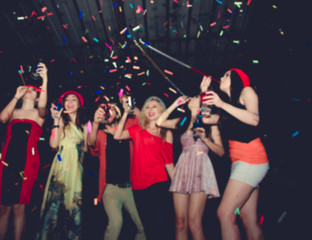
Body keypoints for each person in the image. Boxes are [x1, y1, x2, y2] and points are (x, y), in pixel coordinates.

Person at [200, 69, 269, 240]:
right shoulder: (229, 106)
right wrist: (204, 93)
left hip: (251, 161)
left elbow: (254, 119)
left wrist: (221, 104)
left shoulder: (247, 91)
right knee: (248, 218)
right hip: (240, 163)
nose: (221, 77)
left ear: (237, 79)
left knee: (224, 213)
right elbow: (206, 119)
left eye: (226, 75)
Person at [156, 94, 225, 240]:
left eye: (195, 96)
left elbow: (221, 152)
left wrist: (205, 139)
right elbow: (159, 121)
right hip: (183, 169)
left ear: (201, 102)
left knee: (194, 222)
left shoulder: (209, 122)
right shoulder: (183, 121)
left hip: (201, 168)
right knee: (180, 223)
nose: (191, 98)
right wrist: (175, 104)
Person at [0, 62, 48, 240]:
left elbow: (42, 107)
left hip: (27, 162)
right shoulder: (14, 112)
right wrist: (16, 97)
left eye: (34, 89)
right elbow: (3, 118)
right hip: (6, 161)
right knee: (3, 208)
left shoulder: (39, 114)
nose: (29, 89)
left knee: (19, 207)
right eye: (28, 87)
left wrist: (45, 79)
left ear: (38, 94)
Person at [114, 96, 175, 240]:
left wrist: (177, 186)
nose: (150, 110)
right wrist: (125, 112)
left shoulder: (166, 133)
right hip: (138, 185)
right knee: (149, 227)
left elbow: (169, 162)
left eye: (154, 106)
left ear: (161, 110)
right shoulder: (137, 129)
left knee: (163, 225)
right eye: (147, 107)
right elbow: (117, 136)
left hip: (159, 182)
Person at [87, 96, 146, 240]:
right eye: (105, 109)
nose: (108, 111)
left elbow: (143, 118)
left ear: (119, 113)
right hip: (110, 188)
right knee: (116, 223)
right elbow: (92, 145)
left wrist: (127, 103)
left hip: (131, 187)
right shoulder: (101, 133)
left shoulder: (128, 127)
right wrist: (95, 123)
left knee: (142, 225)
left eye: (112, 108)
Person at [37, 90, 88, 240]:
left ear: (79, 104)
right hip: (60, 168)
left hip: (77, 171)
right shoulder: (59, 121)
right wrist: (55, 120)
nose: (70, 102)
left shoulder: (87, 123)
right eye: (67, 100)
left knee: (73, 208)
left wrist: (90, 127)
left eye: (74, 100)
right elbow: (53, 145)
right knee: (55, 208)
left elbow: (88, 147)